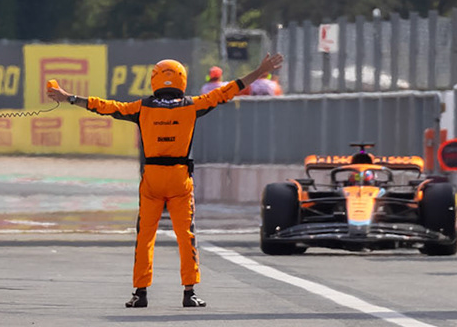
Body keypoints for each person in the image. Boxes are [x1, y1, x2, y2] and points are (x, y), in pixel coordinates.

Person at [51, 51, 284, 309]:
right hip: (179, 179)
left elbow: (105, 106)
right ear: (182, 80)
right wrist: (259, 71)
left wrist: (68, 97)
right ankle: (189, 292)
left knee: (145, 237)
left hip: (151, 179)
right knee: (186, 236)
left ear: (155, 80)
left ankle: (140, 293)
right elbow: (229, 90)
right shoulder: (193, 105)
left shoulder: (141, 108)